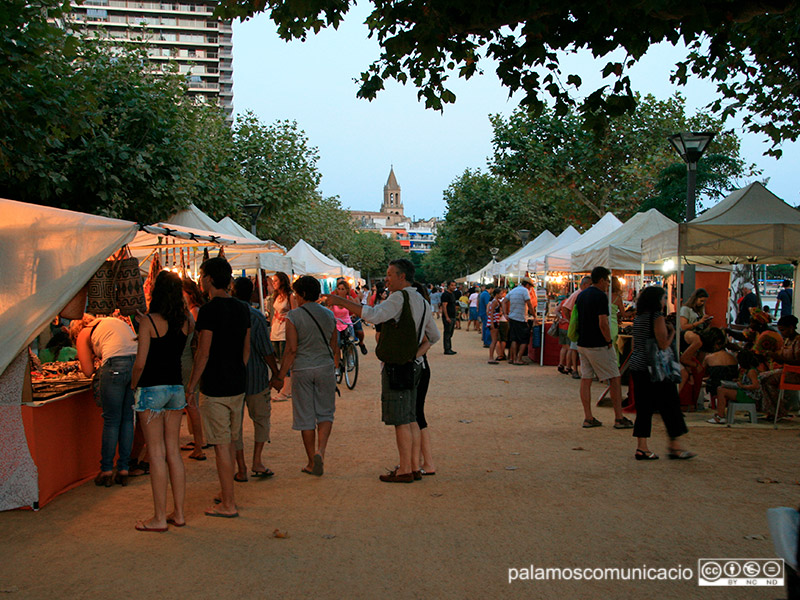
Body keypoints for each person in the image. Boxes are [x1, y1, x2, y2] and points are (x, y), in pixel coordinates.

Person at [326, 258, 440, 483]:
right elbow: (434, 337)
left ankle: (405, 469)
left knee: (400, 419)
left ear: (402, 276)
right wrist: (414, 356)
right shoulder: (422, 301)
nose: (386, 279)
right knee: (410, 418)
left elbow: (373, 315)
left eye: (389, 274)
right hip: (413, 367)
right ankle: (414, 466)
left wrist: (339, 301)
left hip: (397, 367)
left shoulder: (399, 298)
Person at [186, 257, 251, 519]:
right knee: (231, 440)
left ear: (210, 278)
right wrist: (238, 369)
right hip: (237, 382)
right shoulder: (242, 308)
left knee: (222, 446)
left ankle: (228, 503)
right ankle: (226, 495)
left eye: (202, 276)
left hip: (215, 386)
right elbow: (246, 349)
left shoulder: (208, 311)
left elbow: (203, 352)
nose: (201, 281)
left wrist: (191, 386)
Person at [130, 270, 192, 532]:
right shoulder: (187, 320)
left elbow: (141, 362)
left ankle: (158, 517)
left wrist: (132, 385)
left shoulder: (148, 322)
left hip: (151, 389)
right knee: (173, 452)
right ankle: (178, 513)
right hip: (175, 388)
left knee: (155, 454)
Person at [276, 276, 338, 477]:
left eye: (295, 293)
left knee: (306, 416)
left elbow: (291, 350)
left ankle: (311, 461)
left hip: (302, 369)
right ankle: (322, 451)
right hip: (325, 367)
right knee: (325, 413)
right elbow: (334, 346)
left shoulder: (293, 316)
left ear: (302, 294)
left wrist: (280, 374)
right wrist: (334, 368)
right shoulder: (329, 315)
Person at [628, 286, 695, 459]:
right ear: (657, 300)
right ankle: (675, 445)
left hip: (638, 365)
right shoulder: (657, 317)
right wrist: (672, 332)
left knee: (644, 407)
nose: (665, 301)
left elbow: (636, 343)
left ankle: (642, 446)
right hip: (656, 368)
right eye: (664, 298)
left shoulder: (639, 318)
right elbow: (663, 343)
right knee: (670, 405)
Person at [71, 314, 138, 487]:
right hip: (135, 364)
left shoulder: (84, 333)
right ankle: (123, 468)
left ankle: (107, 469)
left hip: (115, 366)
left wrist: (91, 358)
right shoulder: (111, 322)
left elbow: (86, 371)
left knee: (111, 421)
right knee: (127, 419)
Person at [232, 277, 280, 482]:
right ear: (252, 292)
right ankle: (257, 461)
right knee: (261, 420)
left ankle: (241, 467)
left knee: (234, 425)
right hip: (256, 377)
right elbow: (266, 350)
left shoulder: (228, 314)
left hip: (232, 378)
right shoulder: (256, 317)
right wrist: (276, 373)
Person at [575, 267, 632, 430]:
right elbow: (603, 323)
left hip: (583, 342)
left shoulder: (582, 295)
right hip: (598, 343)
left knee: (586, 379)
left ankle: (588, 417)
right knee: (614, 378)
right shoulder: (601, 297)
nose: (608, 284)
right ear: (601, 280)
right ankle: (619, 418)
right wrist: (607, 341)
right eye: (607, 280)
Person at [180, 277, 208, 461]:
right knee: (191, 403)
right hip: (187, 360)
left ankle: (200, 443)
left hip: (184, 362)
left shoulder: (189, 314)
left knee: (190, 403)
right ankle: (199, 442)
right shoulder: (188, 314)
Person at [412, 282, 437, 476]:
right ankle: (420, 461)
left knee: (414, 415)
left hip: (416, 367)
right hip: (422, 366)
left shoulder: (415, 314)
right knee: (417, 414)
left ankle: (424, 462)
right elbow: (433, 337)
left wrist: (413, 356)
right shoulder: (423, 311)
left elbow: (430, 339)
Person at [761, 315, 800, 420]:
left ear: (791, 328)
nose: (782, 333)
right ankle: (772, 410)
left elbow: (798, 361)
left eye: (783, 330)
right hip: (786, 371)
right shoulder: (787, 341)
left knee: (767, 380)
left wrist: (780, 359)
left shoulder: (798, 341)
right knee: (761, 377)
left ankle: (778, 411)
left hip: (796, 373)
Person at [708, 349, 762, 424]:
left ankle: (720, 416)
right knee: (721, 388)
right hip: (746, 393)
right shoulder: (748, 370)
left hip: (749, 396)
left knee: (721, 390)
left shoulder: (751, 372)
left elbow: (756, 386)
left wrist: (742, 386)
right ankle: (720, 414)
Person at [269, 271, 297, 402]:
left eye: (275, 281)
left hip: (285, 331)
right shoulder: (276, 296)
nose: (273, 283)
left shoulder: (290, 296)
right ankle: (288, 388)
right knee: (279, 359)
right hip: (276, 330)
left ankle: (285, 391)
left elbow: (295, 313)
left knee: (285, 360)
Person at [700, 327, 739, 407]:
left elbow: (701, 372)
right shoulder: (733, 357)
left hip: (715, 386)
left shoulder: (709, 358)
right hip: (731, 384)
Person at [562, 276, 592, 379]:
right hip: (578, 325)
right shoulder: (577, 294)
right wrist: (571, 321)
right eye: (590, 284)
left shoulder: (584, 294)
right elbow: (565, 307)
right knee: (574, 348)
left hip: (582, 325)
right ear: (584, 284)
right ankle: (574, 369)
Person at [503, 278, 535, 365]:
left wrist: (505, 313)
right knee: (524, 340)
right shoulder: (525, 291)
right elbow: (529, 304)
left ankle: (513, 358)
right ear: (527, 285)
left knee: (514, 339)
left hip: (512, 317)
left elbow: (504, 301)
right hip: (521, 318)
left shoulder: (513, 290)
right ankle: (519, 358)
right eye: (530, 286)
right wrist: (534, 315)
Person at [679, 288, 712, 367]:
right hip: (687, 335)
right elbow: (683, 326)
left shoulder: (699, 310)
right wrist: (699, 322)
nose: (702, 303)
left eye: (704, 301)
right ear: (695, 299)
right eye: (701, 301)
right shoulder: (685, 309)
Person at [487, 287, 508, 363]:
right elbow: (491, 312)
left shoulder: (496, 301)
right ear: (497, 294)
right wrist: (492, 323)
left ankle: (491, 357)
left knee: (495, 340)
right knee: (494, 340)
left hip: (495, 321)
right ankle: (491, 357)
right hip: (494, 322)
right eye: (501, 293)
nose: (502, 295)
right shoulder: (495, 302)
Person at [440, 280, 457, 355]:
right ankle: (447, 349)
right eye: (452, 285)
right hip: (448, 316)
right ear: (448, 286)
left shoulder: (452, 294)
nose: (454, 287)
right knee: (447, 333)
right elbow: (444, 306)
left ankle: (449, 347)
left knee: (450, 333)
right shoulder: (445, 295)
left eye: (454, 285)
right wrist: (447, 317)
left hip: (452, 316)